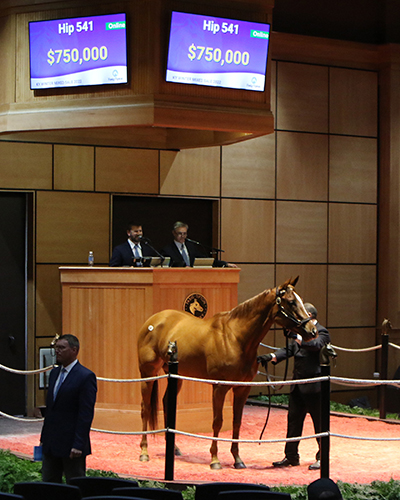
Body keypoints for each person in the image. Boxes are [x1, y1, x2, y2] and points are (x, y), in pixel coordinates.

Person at [257, 302, 330, 470]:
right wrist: (272, 356)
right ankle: (291, 456)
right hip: (297, 386)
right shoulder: (302, 334)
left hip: (315, 388)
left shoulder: (323, 332)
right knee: (293, 422)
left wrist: (299, 338)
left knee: (319, 424)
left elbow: (316, 346)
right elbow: (290, 350)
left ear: (309, 316)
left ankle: (322, 458)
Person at [40, 334, 97, 484]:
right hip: (51, 443)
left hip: (72, 445)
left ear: (74, 350)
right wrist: (43, 439)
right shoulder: (53, 373)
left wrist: (78, 444)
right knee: (48, 486)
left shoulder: (86, 376)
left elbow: (85, 414)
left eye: (61, 348)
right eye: (56, 348)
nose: (57, 351)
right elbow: (51, 410)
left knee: (75, 486)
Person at [161, 221, 237, 268]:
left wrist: (225, 264)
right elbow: (169, 264)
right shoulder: (167, 249)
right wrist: (183, 267)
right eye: (180, 233)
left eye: (185, 233)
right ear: (174, 233)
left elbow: (204, 259)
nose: (182, 236)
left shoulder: (191, 247)